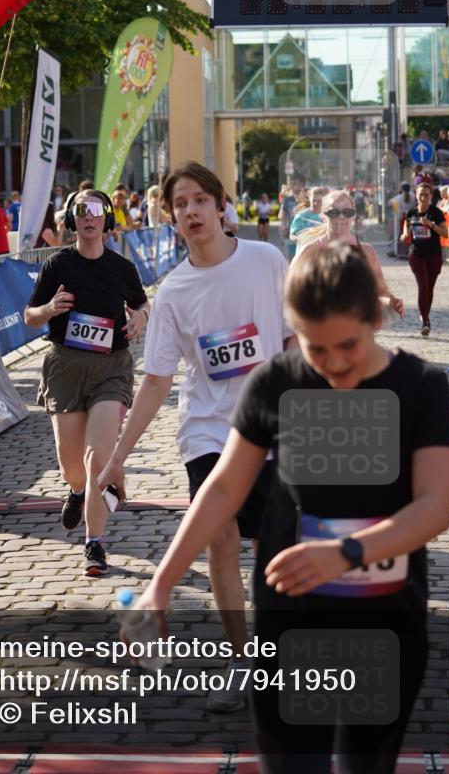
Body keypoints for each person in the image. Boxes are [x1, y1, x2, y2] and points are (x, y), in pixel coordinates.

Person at [133, 243, 449, 774]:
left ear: (376, 317)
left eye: (348, 346)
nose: (333, 366)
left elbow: (434, 506)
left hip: (385, 623)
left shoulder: (421, 387)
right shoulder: (276, 381)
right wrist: (161, 585)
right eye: (315, 349)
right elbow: (222, 490)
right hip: (288, 624)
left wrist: (347, 553)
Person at [99, 161, 295, 711]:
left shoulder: (266, 261)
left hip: (273, 429)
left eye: (199, 200)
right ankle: (243, 663)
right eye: (180, 204)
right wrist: (118, 457)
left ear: (219, 204)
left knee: (270, 548)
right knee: (222, 540)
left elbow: (291, 338)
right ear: (171, 219)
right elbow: (157, 382)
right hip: (209, 432)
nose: (190, 211)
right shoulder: (174, 294)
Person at [24, 189, 149, 577]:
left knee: (99, 458)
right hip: (66, 367)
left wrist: (142, 317)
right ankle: (76, 492)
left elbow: (141, 303)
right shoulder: (58, 265)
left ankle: (94, 542)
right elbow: (29, 315)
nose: (89, 217)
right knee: (72, 466)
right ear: (72, 219)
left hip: (111, 367)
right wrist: (49, 309)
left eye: (97, 210)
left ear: (108, 219)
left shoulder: (122, 268)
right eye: (82, 210)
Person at [297, 189, 404, 318]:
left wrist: (392, 302)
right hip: (321, 329)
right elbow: (292, 294)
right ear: (323, 216)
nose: (341, 217)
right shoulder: (309, 251)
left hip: (355, 328)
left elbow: (380, 292)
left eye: (347, 212)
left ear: (353, 216)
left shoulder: (366, 251)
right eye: (334, 212)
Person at [401, 181, 448, 336]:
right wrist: (404, 235)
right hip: (417, 254)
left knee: (429, 287)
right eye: (420, 195)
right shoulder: (411, 213)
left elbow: (445, 233)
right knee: (423, 285)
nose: (423, 198)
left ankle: (424, 314)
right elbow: (405, 229)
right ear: (416, 195)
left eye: (426, 195)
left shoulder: (436, 213)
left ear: (431, 196)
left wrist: (431, 225)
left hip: (434, 255)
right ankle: (425, 321)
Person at [288, 186, 324, 253]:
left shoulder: (327, 217)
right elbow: (292, 236)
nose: (316, 203)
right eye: (314, 200)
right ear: (309, 199)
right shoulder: (302, 216)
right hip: (304, 255)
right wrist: (305, 238)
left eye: (319, 201)